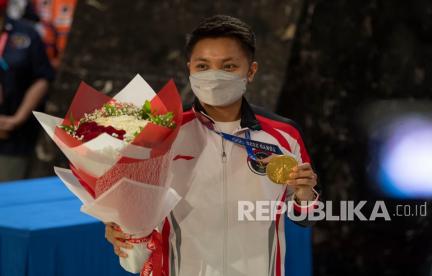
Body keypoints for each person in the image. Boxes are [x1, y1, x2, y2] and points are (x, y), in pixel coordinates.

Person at [105, 14, 319, 276]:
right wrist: (118, 224)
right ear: (189, 69)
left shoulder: (284, 135)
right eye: (203, 66)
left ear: (251, 71)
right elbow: (133, 203)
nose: (214, 76)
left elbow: (306, 217)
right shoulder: (162, 133)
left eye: (228, 67)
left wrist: (305, 196)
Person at [0, 0, 54, 181]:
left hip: (14, 137)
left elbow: (42, 78)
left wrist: (16, 119)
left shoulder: (26, 34)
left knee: (9, 197)